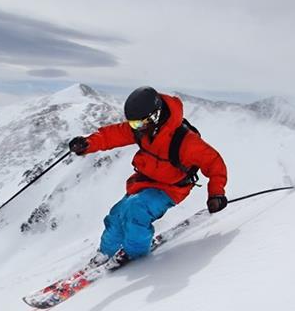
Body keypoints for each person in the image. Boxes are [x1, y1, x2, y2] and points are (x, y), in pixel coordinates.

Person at [68, 86, 229, 265]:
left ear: (156, 116)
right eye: (133, 124)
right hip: (144, 182)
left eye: (138, 123)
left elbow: (215, 164)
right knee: (118, 214)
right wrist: (88, 143)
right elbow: (112, 135)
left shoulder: (185, 141)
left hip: (171, 188)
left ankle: (134, 254)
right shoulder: (143, 128)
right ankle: (106, 252)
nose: (136, 128)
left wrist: (216, 193)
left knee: (136, 210)